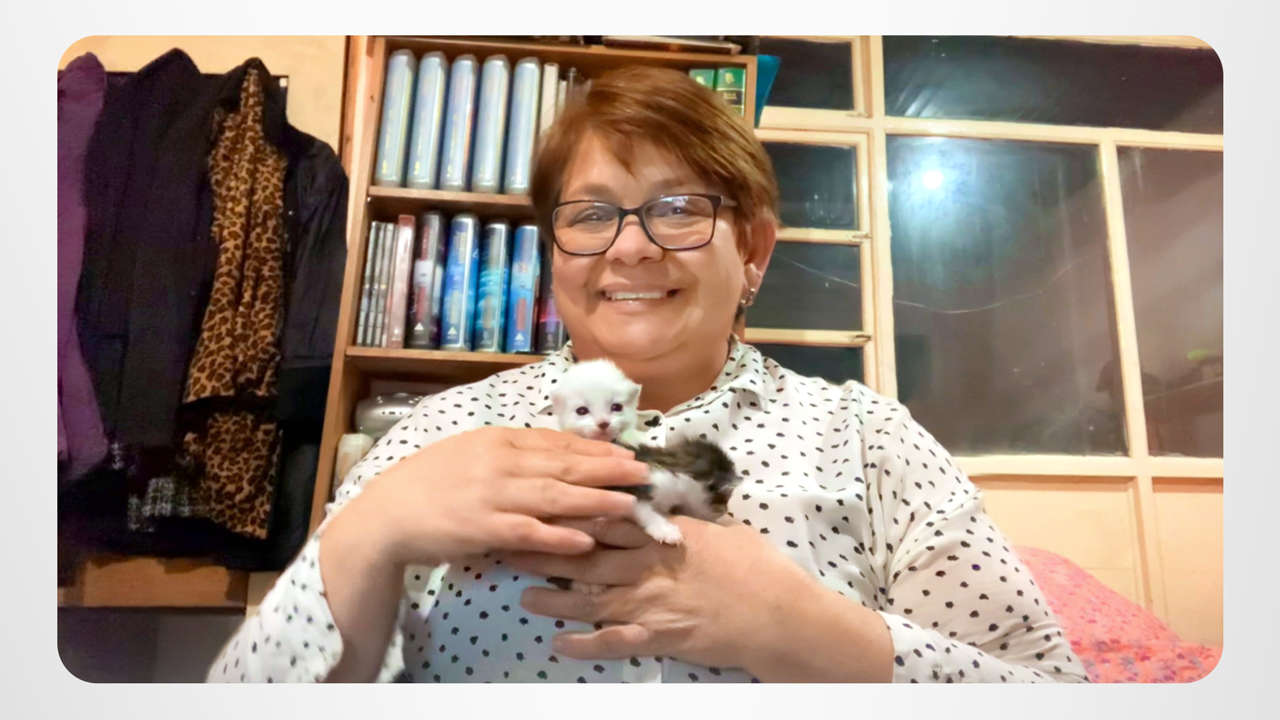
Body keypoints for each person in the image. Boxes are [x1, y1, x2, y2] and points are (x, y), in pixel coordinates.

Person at [208, 65, 1088, 683]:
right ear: (554, 253)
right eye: (591, 215)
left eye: (677, 208)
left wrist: (803, 630)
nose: (629, 246)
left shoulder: (869, 440)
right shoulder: (439, 435)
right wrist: (371, 531)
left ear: (753, 250)